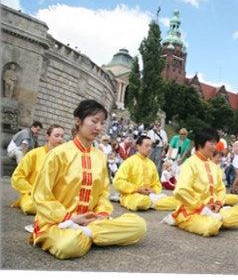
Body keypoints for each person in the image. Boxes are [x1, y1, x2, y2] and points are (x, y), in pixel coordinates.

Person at [30, 100, 146, 259]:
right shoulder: (59, 154)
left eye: (102, 123)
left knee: (139, 226)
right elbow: (41, 195)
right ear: (78, 121)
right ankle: (90, 235)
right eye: (94, 121)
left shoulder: (99, 156)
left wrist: (101, 214)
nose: (99, 127)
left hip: (91, 221)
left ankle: (86, 233)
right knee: (67, 245)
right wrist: (69, 218)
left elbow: (103, 193)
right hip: (58, 222)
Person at [167, 128, 238, 237]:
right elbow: (180, 191)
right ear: (200, 143)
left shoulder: (214, 166)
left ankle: (215, 219)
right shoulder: (190, 163)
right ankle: (187, 220)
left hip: (213, 209)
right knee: (211, 227)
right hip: (193, 211)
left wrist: (218, 204)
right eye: (212, 144)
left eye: (215, 144)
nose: (215, 148)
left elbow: (220, 189)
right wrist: (203, 208)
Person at [113, 135, 180, 212]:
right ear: (138, 146)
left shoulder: (151, 164)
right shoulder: (129, 162)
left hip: (150, 195)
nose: (149, 148)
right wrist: (137, 189)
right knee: (142, 202)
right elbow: (118, 182)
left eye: (151, 146)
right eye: (147, 146)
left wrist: (153, 190)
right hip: (132, 195)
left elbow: (157, 184)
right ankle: (149, 203)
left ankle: (151, 203)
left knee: (177, 202)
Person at [11, 124, 64, 215]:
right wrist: (32, 190)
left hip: (54, 196)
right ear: (47, 137)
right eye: (56, 136)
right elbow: (17, 177)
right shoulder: (34, 154)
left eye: (62, 136)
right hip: (33, 195)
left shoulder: (63, 158)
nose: (60, 139)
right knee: (31, 206)